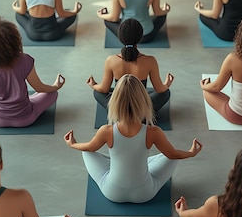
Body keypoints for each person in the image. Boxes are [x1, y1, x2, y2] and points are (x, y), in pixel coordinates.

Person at [64, 74, 202, 203]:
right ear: (144, 101)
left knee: (85, 150)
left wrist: (72, 144)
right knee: (172, 155)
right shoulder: (153, 132)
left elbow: (89, 147)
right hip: (145, 193)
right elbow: (173, 154)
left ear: (115, 102)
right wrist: (191, 153)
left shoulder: (106, 131)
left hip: (112, 192)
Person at [0, 19, 64, 127]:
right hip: (26, 118)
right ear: (14, 41)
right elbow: (40, 88)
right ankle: (31, 99)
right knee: (53, 93)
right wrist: (55, 86)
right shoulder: (25, 60)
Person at [87, 18, 173, 112]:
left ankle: (120, 115)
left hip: (119, 109)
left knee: (97, 92)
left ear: (120, 37)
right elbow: (160, 89)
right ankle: (141, 117)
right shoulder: (150, 61)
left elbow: (104, 89)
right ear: (140, 37)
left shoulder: (111, 60)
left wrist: (93, 85)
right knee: (165, 93)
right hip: (141, 110)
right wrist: (167, 84)